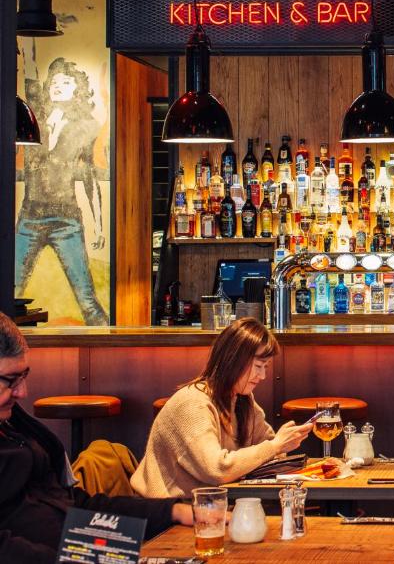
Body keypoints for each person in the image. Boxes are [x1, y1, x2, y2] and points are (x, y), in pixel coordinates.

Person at [0, 312, 192, 563]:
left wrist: (173, 512)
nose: (22, 392)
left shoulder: (18, 428)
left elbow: (73, 505)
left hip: (88, 548)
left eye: (24, 376)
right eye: (11, 380)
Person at [131, 318, 312, 498]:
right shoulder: (193, 403)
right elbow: (216, 469)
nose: (263, 375)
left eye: (265, 367)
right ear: (233, 360)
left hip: (211, 503)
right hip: (167, 512)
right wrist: (275, 446)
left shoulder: (241, 398)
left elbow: (269, 449)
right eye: (258, 366)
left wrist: (280, 445)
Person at [17, 53, 109, 325]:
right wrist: (28, 29)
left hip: (66, 220)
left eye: (66, 81)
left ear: (77, 89)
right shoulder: (33, 116)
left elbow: (90, 178)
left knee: (88, 299)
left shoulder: (86, 127)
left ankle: (104, 358)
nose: (58, 85)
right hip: (29, 218)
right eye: (54, 80)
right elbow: (31, 67)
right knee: (10, 293)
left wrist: (99, 226)